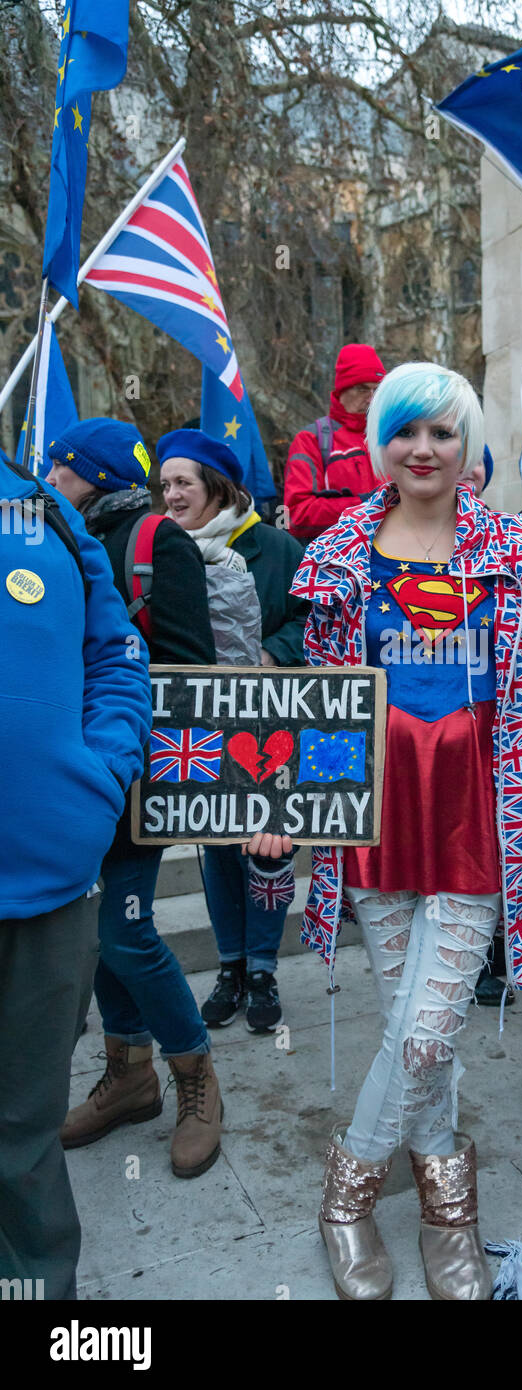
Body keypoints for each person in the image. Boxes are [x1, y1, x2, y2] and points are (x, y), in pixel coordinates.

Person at [290, 361, 522, 1301]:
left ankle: (346, 1194)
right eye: (404, 433)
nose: (423, 450)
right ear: (380, 446)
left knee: (426, 1032)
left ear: (467, 447)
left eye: (442, 433)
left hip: (480, 815)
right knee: (411, 1027)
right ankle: (446, 1209)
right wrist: (291, 811)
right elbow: (323, 711)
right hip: (378, 819)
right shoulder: (334, 562)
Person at [45, 419, 226, 1181]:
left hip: (134, 774)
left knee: (123, 933)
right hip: (69, 771)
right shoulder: (54, 539)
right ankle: (128, 1075)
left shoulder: (157, 540)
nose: (50, 476)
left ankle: (196, 1078)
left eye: (61, 466)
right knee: (94, 933)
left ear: (88, 472)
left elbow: (190, 671)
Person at [0, 445, 152, 1297]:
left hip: (49, 890)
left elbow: (116, 658)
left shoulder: (46, 515)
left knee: (23, 1133)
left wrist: (96, 781)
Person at [157, 428, 306, 1033]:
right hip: (200, 730)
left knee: (269, 851)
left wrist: (271, 654)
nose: (170, 494)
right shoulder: (166, 549)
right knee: (216, 849)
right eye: (164, 484)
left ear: (216, 487)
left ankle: (265, 968)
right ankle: (230, 968)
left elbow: (312, 622)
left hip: (272, 727)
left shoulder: (278, 547)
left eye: (182, 482)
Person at [283, 343, 386, 542]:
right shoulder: (311, 440)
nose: (372, 398)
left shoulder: (397, 436)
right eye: (363, 389)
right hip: (337, 562)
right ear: (341, 391)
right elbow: (295, 514)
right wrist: (366, 506)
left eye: (378, 390)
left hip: (397, 559)